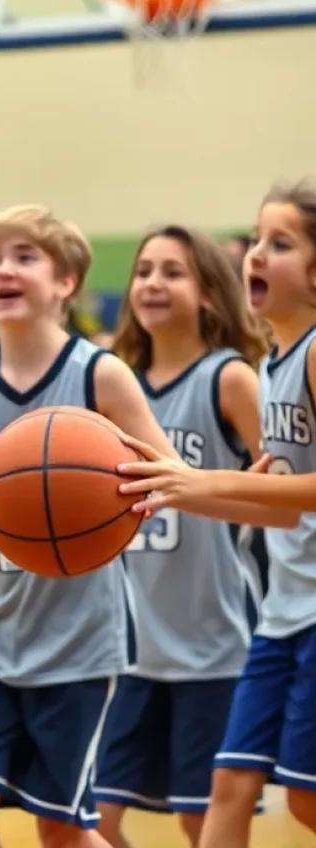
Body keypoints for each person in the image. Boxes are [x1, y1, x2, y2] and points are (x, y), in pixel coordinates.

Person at [0, 205, 182, 848]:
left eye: (24, 257)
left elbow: (171, 475)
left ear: (66, 282)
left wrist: (129, 499)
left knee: (62, 831)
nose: (3, 270)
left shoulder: (100, 374)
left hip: (79, 642)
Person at [119, 183, 316, 848]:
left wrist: (200, 480)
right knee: (226, 788)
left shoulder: (306, 354)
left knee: (303, 803)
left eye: (279, 243)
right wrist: (181, 491)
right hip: (280, 615)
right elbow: (282, 515)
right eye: (256, 240)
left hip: (284, 619)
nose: (256, 254)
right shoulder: (278, 365)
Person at [92, 226, 266, 848]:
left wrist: (201, 486)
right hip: (127, 648)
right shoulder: (112, 381)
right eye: (143, 271)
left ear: (210, 293)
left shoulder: (230, 379)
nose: (153, 283)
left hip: (210, 643)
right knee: (97, 818)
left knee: (203, 819)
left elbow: (280, 487)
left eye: (173, 271)